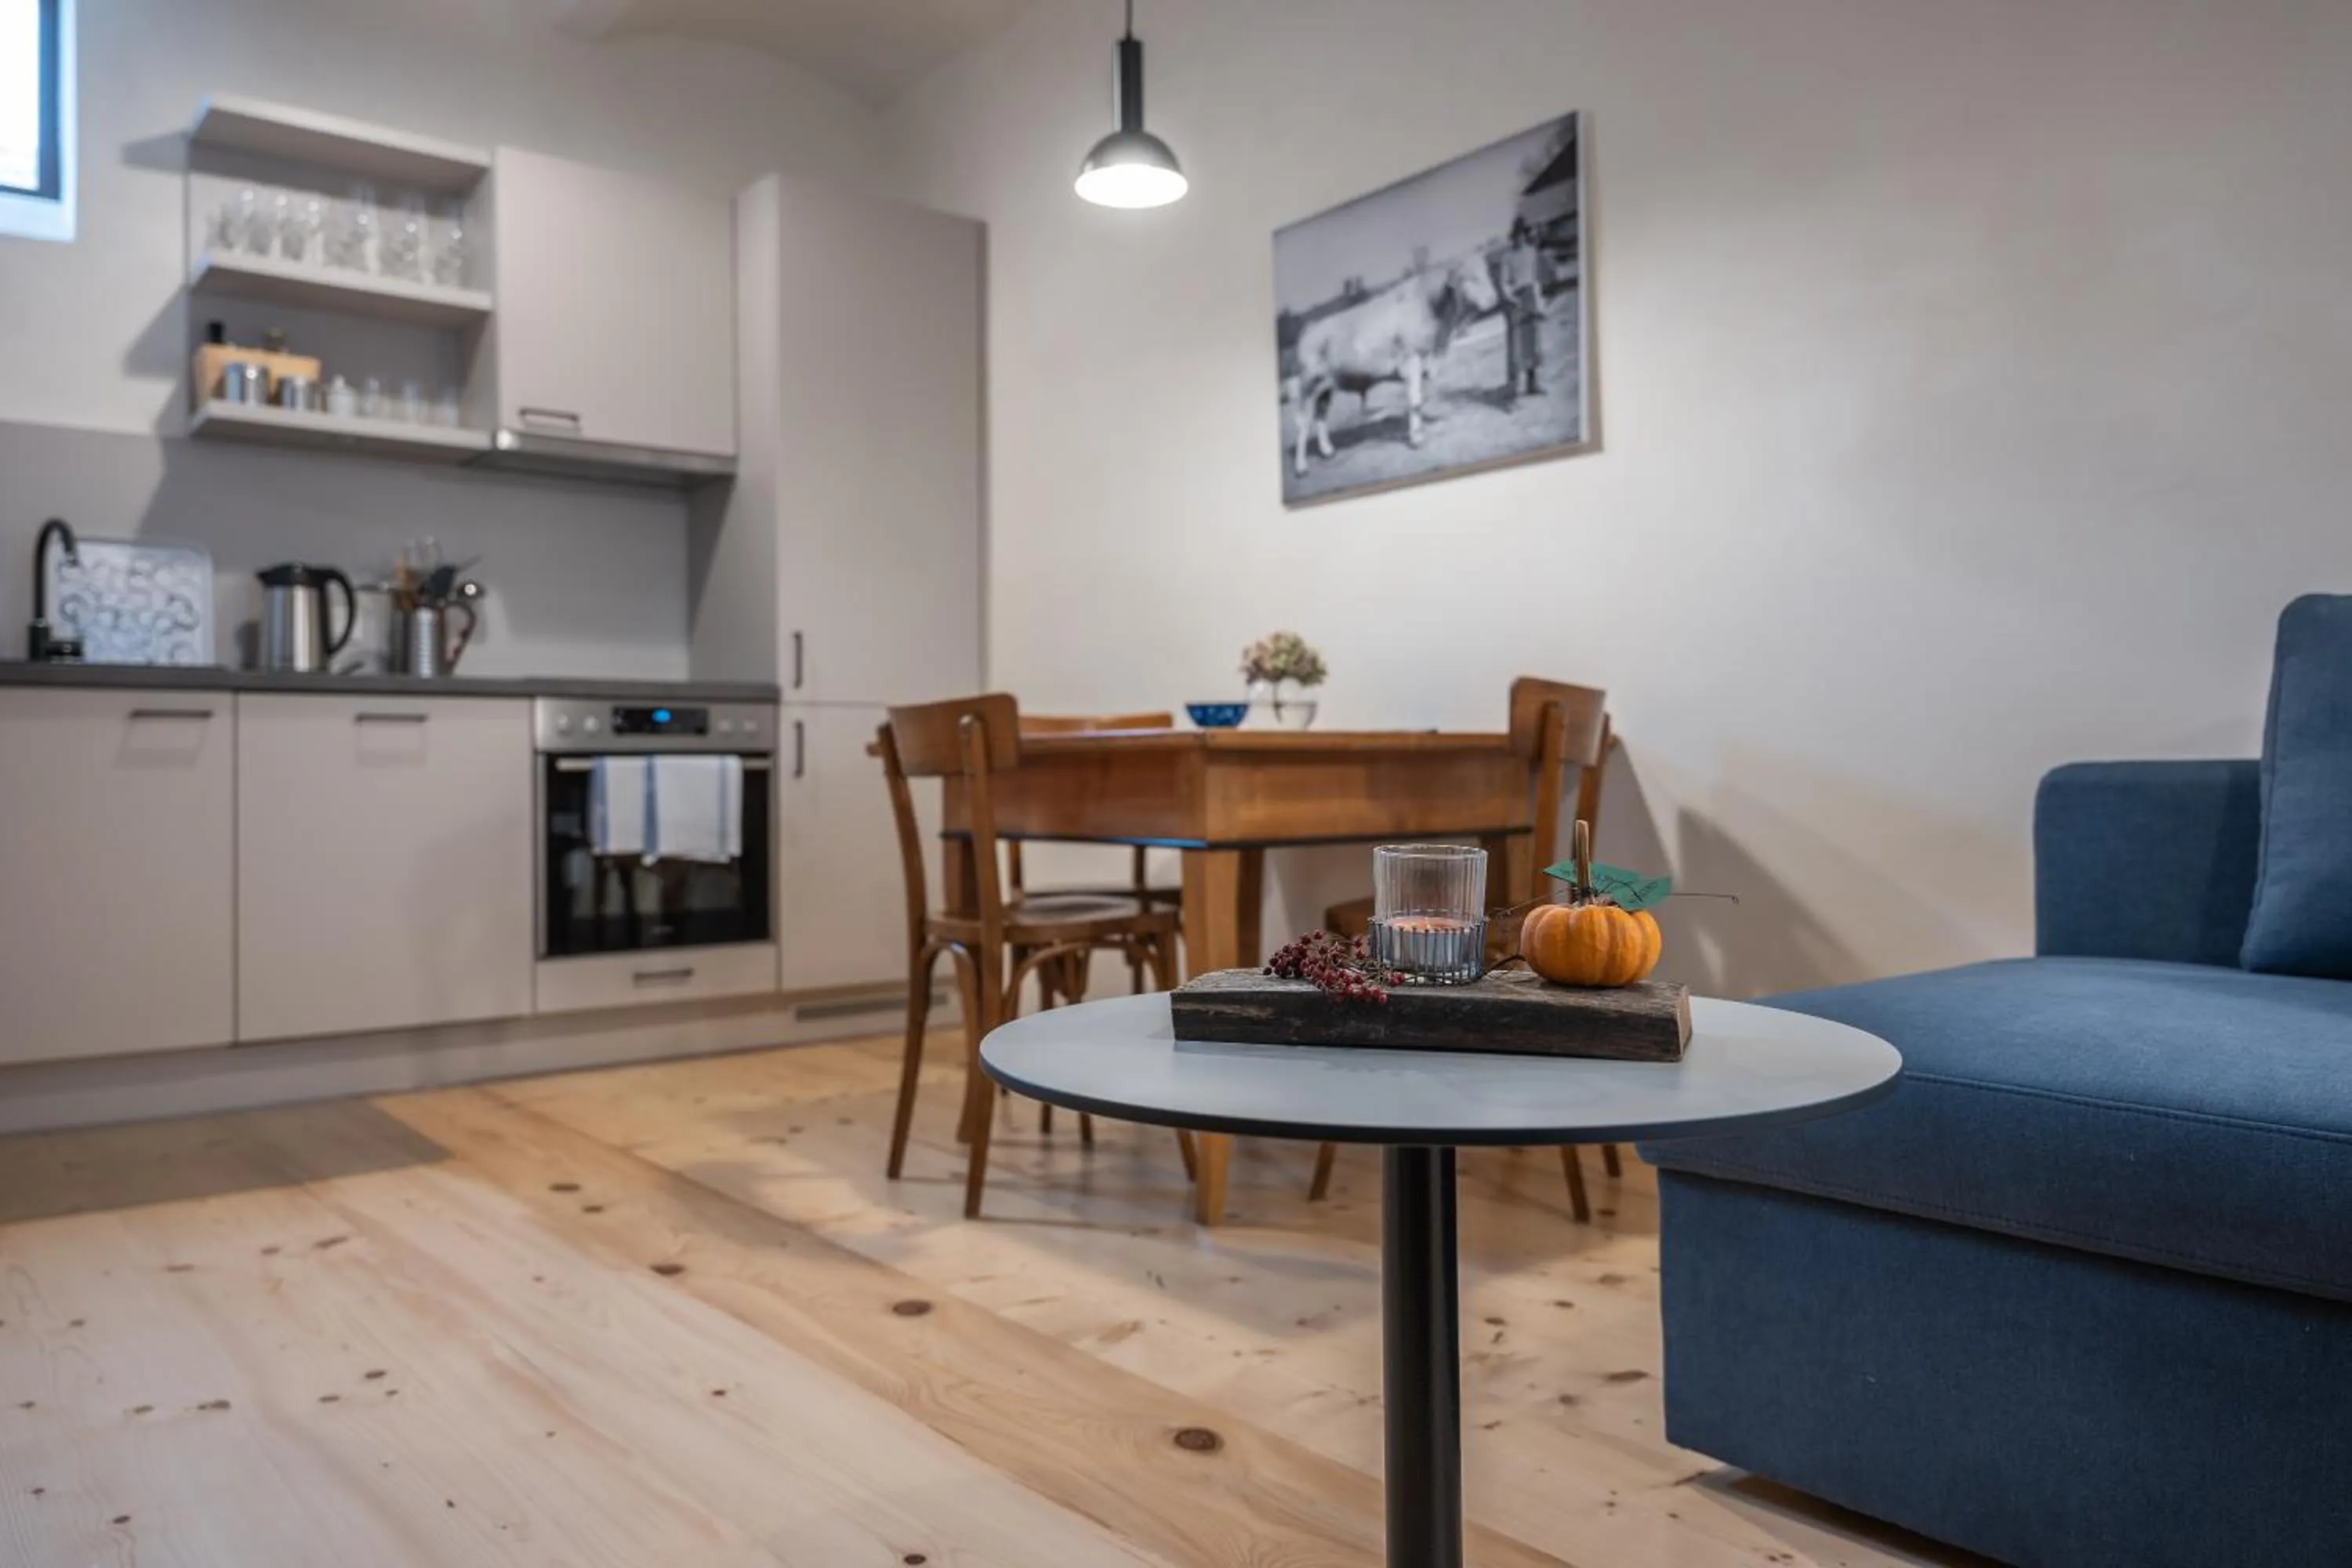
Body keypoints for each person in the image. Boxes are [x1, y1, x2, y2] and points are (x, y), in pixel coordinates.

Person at [1498, 217, 1545, 402]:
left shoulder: (1531, 252)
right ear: (1513, 238)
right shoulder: (1507, 257)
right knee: (1516, 344)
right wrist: (1512, 298)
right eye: (1516, 236)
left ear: (1525, 235)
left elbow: (1535, 278)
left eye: (1522, 235)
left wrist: (1539, 300)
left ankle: (1532, 384)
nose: (1519, 239)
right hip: (1515, 300)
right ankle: (1514, 389)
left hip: (1531, 296)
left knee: (1532, 340)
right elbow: (1503, 283)